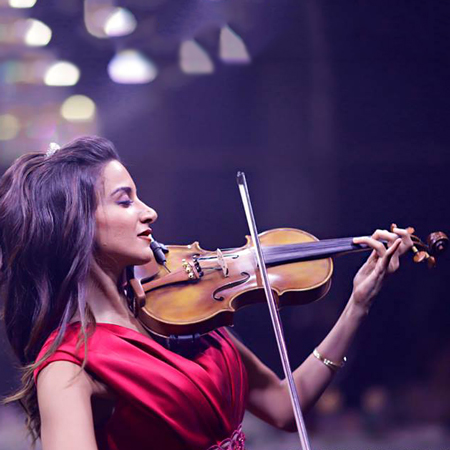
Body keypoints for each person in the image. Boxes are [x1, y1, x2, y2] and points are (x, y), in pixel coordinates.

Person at [0, 136, 413, 450]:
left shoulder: (179, 311)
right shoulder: (69, 368)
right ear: (77, 226)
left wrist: (357, 305)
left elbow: (285, 406)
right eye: (125, 202)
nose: (149, 212)